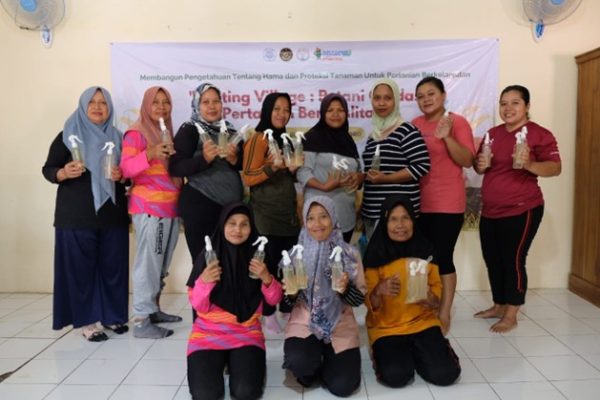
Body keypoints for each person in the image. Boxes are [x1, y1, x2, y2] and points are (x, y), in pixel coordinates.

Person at [42, 86, 129, 341]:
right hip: (76, 216)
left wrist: (122, 176)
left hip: (112, 214)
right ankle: (88, 322)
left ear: (109, 107)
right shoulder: (68, 136)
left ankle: (112, 316)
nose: (98, 107)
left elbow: (128, 175)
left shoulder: (118, 137)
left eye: (103, 102)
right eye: (92, 102)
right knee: (81, 270)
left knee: (113, 268)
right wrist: (62, 173)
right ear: (83, 106)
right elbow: (48, 169)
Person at [473, 85, 561, 333]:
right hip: (490, 210)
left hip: (523, 208)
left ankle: (511, 314)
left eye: (515, 103)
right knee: (493, 259)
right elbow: (480, 167)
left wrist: (529, 163)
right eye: (503, 103)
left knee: (513, 260)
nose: (508, 108)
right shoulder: (492, 134)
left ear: (527, 106)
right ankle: (498, 305)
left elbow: (555, 168)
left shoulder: (539, 134)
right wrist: (480, 165)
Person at [186, 202, 282, 400]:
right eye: (232, 223)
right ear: (222, 225)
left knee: (246, 392)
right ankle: (225, 362)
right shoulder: (208, 257)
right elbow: (198, 305)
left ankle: (237, 362)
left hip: (246, 332)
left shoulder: (259, 258)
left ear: (251, 227)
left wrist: (267, 278)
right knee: (206, 394)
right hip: (208, 334)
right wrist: (204, 282)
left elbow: (274, 300)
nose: (238, 230)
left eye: (244, 224)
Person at [364, 195, 461, 387]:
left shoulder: (426, 250)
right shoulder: (375, 255)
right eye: (393, 219)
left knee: (445, 374)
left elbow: (436, 300)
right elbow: (370, 305)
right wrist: (378, 290)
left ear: (413, 221)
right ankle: (405, 354)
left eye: (405, 218)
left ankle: (422, 351)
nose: (400, 225)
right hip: (387, 328)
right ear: (384, 223)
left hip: (422, 323)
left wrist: (430, 298)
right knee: (396, 376)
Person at [283, 196, 366, 397]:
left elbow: (359, 299)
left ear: (333, 218)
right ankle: (314, 359)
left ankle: (329, 359)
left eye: (323, 216)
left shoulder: (349, 254)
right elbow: (286, 303)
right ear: (304, 221)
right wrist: (291, 295)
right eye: (310, 218)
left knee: (343, 386)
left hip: (340, 322)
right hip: (305, 321)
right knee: (300, 365)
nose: (317, 224)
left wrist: (345, 290)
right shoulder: (295, 255)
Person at [412, 77, 476, 335]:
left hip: (447, 203)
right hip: (418, 203)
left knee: (442, 257)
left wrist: (447, 137)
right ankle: (422, 306)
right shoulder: (415, 125)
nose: (426, 99)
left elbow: (467, 160)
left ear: (443, 95)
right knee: (419, 259)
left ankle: (444, 312)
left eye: (431, 93)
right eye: (420, 96)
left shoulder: (456, 122)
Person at [120, 86, 182, 338]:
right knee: (148, 265)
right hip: (150, 208)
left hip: (170, 207)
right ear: (146, 105)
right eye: (155, 102)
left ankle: (153, 309)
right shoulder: (137, 133)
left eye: (166, 102)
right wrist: (150, 153)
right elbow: (125, 169)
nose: (161, 107)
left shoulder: (166, 131)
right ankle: (142, 321)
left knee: (160, 264)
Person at [241, 92, 301, 332]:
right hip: (265, 216)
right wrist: (271, 167)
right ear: (267, 110)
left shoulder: (286, 140)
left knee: (287, 265)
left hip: (287, 214)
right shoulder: (258, 139)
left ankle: (286, 308)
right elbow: (248, 177)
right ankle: (267, 313)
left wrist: (293, 170)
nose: (282, 114)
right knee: (267, 264)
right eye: (277, 109)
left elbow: (288, 177)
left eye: (286, 109)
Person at [170, 83, 243, 265]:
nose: (212, 106)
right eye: (206, 102)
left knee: (229, 264)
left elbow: (243, 165)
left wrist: (235, 159)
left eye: (216, 101)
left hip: (230, 209)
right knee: (205, 264)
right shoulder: (190, 129)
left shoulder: (230, 130)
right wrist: (203, 159)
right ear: (197, 105)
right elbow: (175, 167)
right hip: (200, 205)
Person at [361, 78, 430, 239]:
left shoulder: (406, 130)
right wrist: (360, 176)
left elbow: (422, 166)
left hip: (398, 216)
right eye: (377, 98)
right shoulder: (373, 136)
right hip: (372, 211)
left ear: (396, 100)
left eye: (387, 98)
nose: (382, 103)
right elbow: (373, 173)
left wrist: (386, 179)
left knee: (399, 256)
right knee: (375, 256)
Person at [297, 93, 362, 243]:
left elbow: (357, 170)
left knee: (342, 257)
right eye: (330, 110)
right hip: (319, 221)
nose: (335, 114)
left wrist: (359, 177)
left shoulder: (349, 141)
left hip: (346, 217)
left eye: (340, 110)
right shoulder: (311, 138)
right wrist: (324, 186)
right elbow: (302, 172)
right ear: (323, 113)